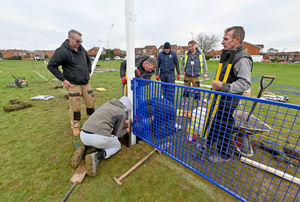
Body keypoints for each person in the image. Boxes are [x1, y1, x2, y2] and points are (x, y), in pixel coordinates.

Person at [206, 26, 253, 163]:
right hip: (219, 98)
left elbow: (244, 83)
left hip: (228, 101)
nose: (222, 42)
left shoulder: (242, 58)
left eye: (226, 39)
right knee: (215, 120)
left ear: (237, 40)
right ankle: (209, 142)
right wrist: (212, 91)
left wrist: (224, 87)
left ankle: (224, 154)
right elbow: (221, 77)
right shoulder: (228, 55)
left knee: (225, 125)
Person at [47, 29, 94, 136]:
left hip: (86, 83)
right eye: (77, 41)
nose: (79, 43)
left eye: (81, 41)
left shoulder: (81, 49)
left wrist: (89, 72)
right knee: (75, 107)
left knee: (90, 103)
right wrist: (63, 80)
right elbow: (51, 66)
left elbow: (88, 61)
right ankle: (76, 126)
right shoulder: (62, 51)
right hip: (73, 84)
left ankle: (91, 123)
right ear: (70, 38)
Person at [70, 96, 132, 176]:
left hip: (84, 134)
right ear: (125, 107)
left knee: (95, 138)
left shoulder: (108, 104)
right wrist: (127, 130)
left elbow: (108, 119)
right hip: (98, 139)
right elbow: (117, 134)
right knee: (117, 146)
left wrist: (123, 121)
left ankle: (83, 149)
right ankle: (97, 156)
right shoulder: (121, 112)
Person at [181, 40, 208, 105]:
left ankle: (198, 102)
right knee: (186, 89)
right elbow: (182, 63)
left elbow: (204, 63)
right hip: (187, 75)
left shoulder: (201, 54)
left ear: (195, 45)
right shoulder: (186, 54)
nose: (190, 48)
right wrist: (183, 71)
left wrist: (205, 72)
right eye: (189, 47)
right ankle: (185, 101)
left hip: (196, 76)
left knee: (197, 90)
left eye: (192, 46)